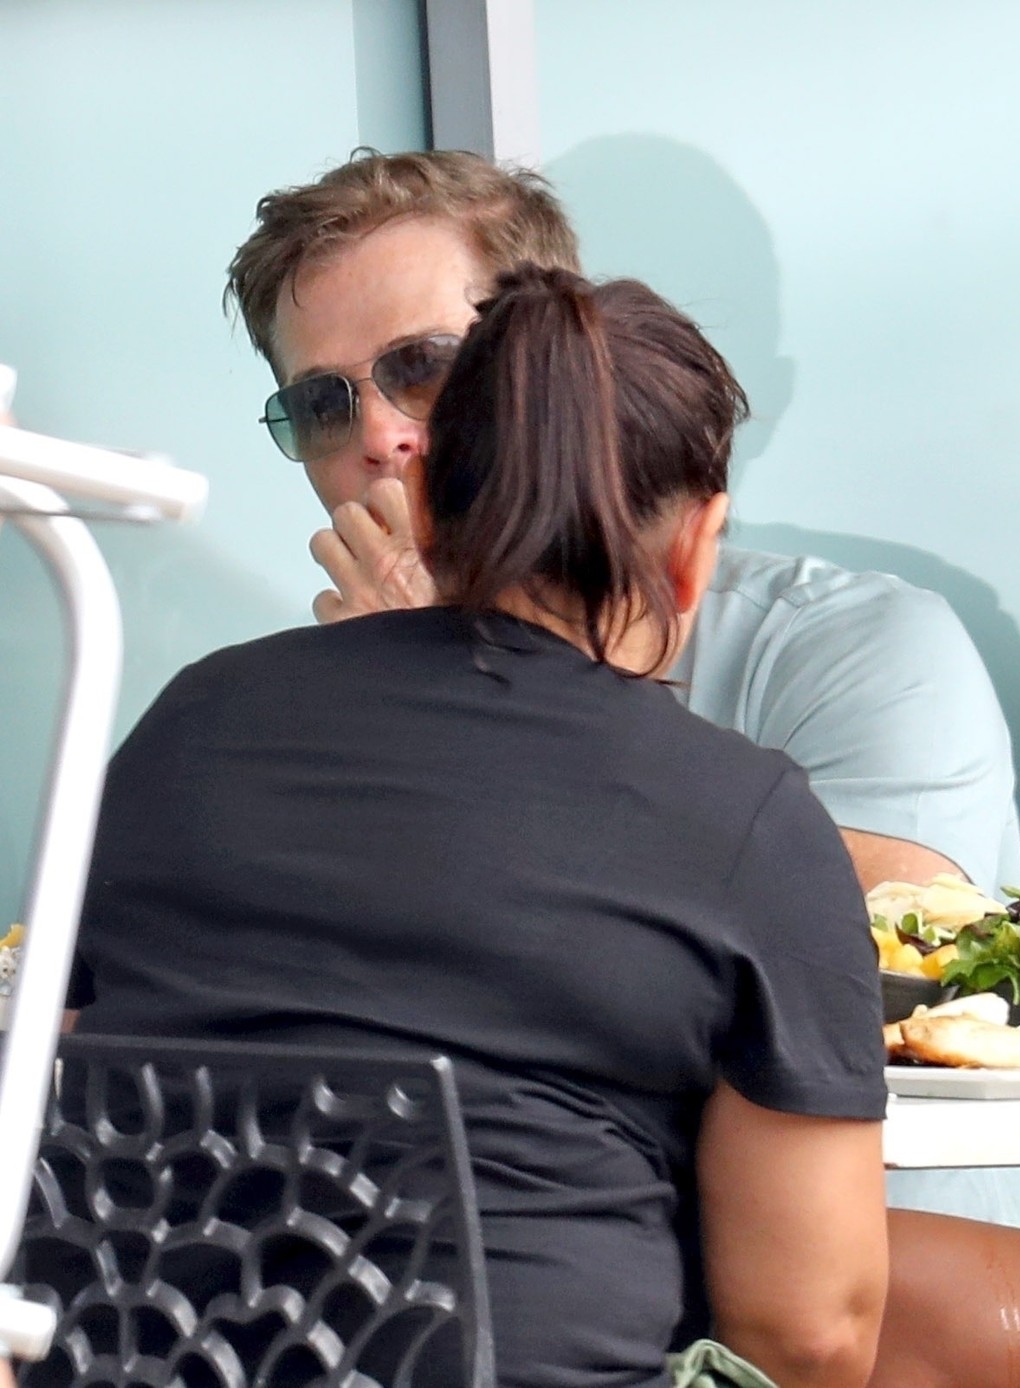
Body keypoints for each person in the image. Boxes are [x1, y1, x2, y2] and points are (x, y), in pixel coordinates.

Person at [69, 267, 890, 1388]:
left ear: (435, 512)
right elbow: (810, 1329)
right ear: (697, 544)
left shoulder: (190, 720)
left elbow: (65, 1077)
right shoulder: (741, 813)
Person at [225, 148, 1020, 1235]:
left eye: (424, 366)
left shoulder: (864, 642)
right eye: (324, 403)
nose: (379, 434)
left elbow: (898, 937)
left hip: (908, 1292)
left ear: (560, 369)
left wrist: (437, 712)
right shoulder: (273, 719)